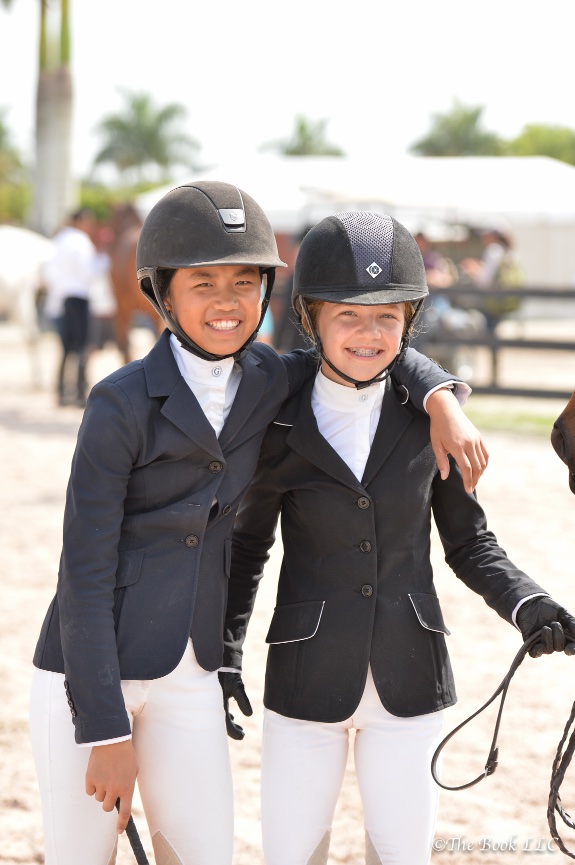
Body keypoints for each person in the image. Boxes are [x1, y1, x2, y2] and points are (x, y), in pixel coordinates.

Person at [30, 182, 485, 865]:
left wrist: (441, 394)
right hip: (91, 674)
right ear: (162, 293)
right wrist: (104, 728)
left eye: (245, 283)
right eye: (203, 283)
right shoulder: (118, 403)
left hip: (192, 674)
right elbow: (84, 575)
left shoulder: (269, 378)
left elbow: (368, 343)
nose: (227, 302)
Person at [224, 211, 575, 865]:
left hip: (409, 675)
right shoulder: (277, 420)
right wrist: (222, 649)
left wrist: (529, 604)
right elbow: (247, 549)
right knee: (292, 853)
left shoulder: (427, 422)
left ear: (409, 322)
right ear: (311, 317)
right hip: (304, 677)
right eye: (348, 316)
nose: (369, 332)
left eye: (387, 316)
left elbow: (470, 545)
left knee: (401, 852)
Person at [43, 208, 98, 407]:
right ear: (81, 221)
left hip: (61, 298)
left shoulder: (59, 240)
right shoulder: (82, 242)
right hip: (79, 297)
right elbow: (88, 272)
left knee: (66, 347)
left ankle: (61, 392)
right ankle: (80, 392)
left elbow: (48, 271)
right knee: (82, 345)